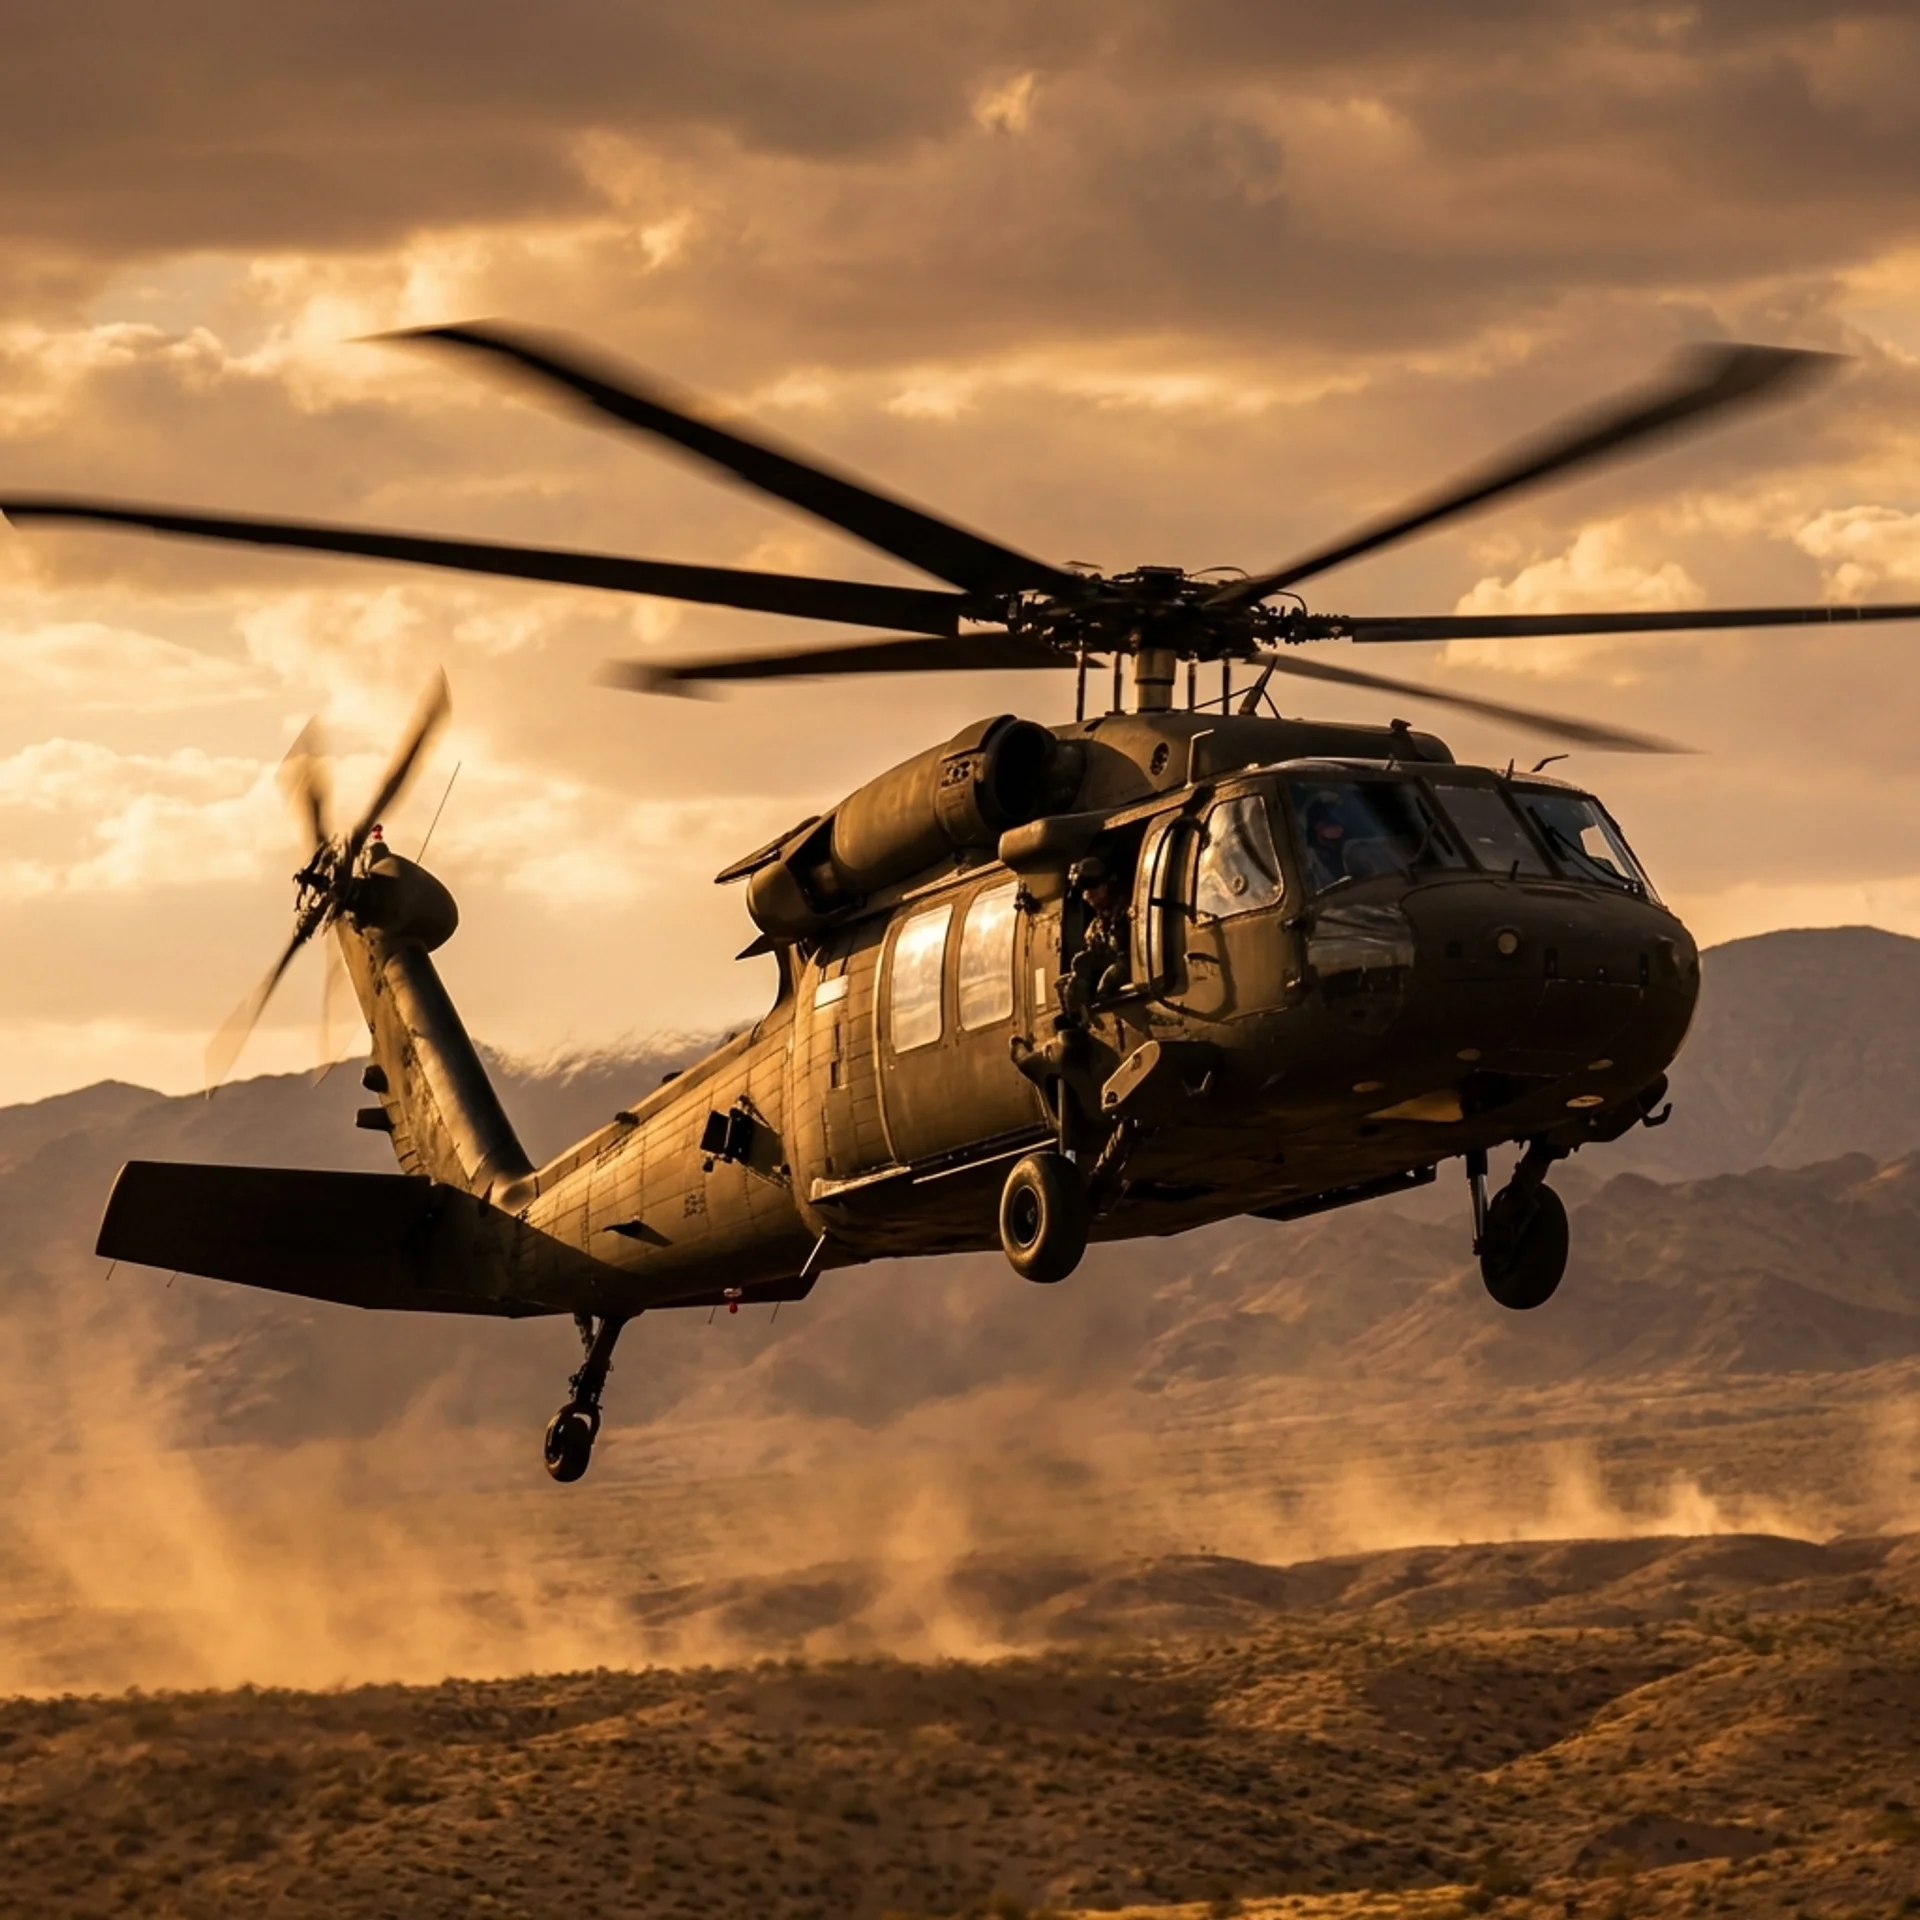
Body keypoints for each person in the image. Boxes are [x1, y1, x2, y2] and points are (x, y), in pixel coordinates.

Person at [1066, 854, 1130, 1012]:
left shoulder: (1129, 913)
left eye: (1093, 886)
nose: (1088, 894)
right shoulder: (1095, 929)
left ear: (1107, 885)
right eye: (1085, 889)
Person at [1302, 791, 1351, 889]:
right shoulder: (1307, 861)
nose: (1338, 828)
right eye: (1330, 822)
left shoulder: (1354, 850)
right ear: (1316, 826)